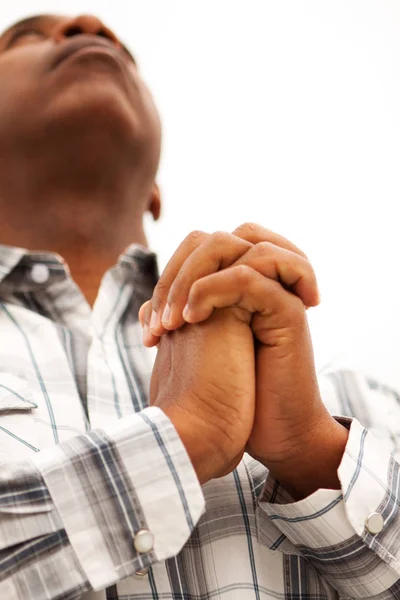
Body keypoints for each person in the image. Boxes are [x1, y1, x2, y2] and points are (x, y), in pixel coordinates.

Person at [0, 12, 399, 600]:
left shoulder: (358, 408)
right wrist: (184, 438)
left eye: (122, 49)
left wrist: (314, 451)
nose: (91, 24)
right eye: (28, 37)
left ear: (154, 189)